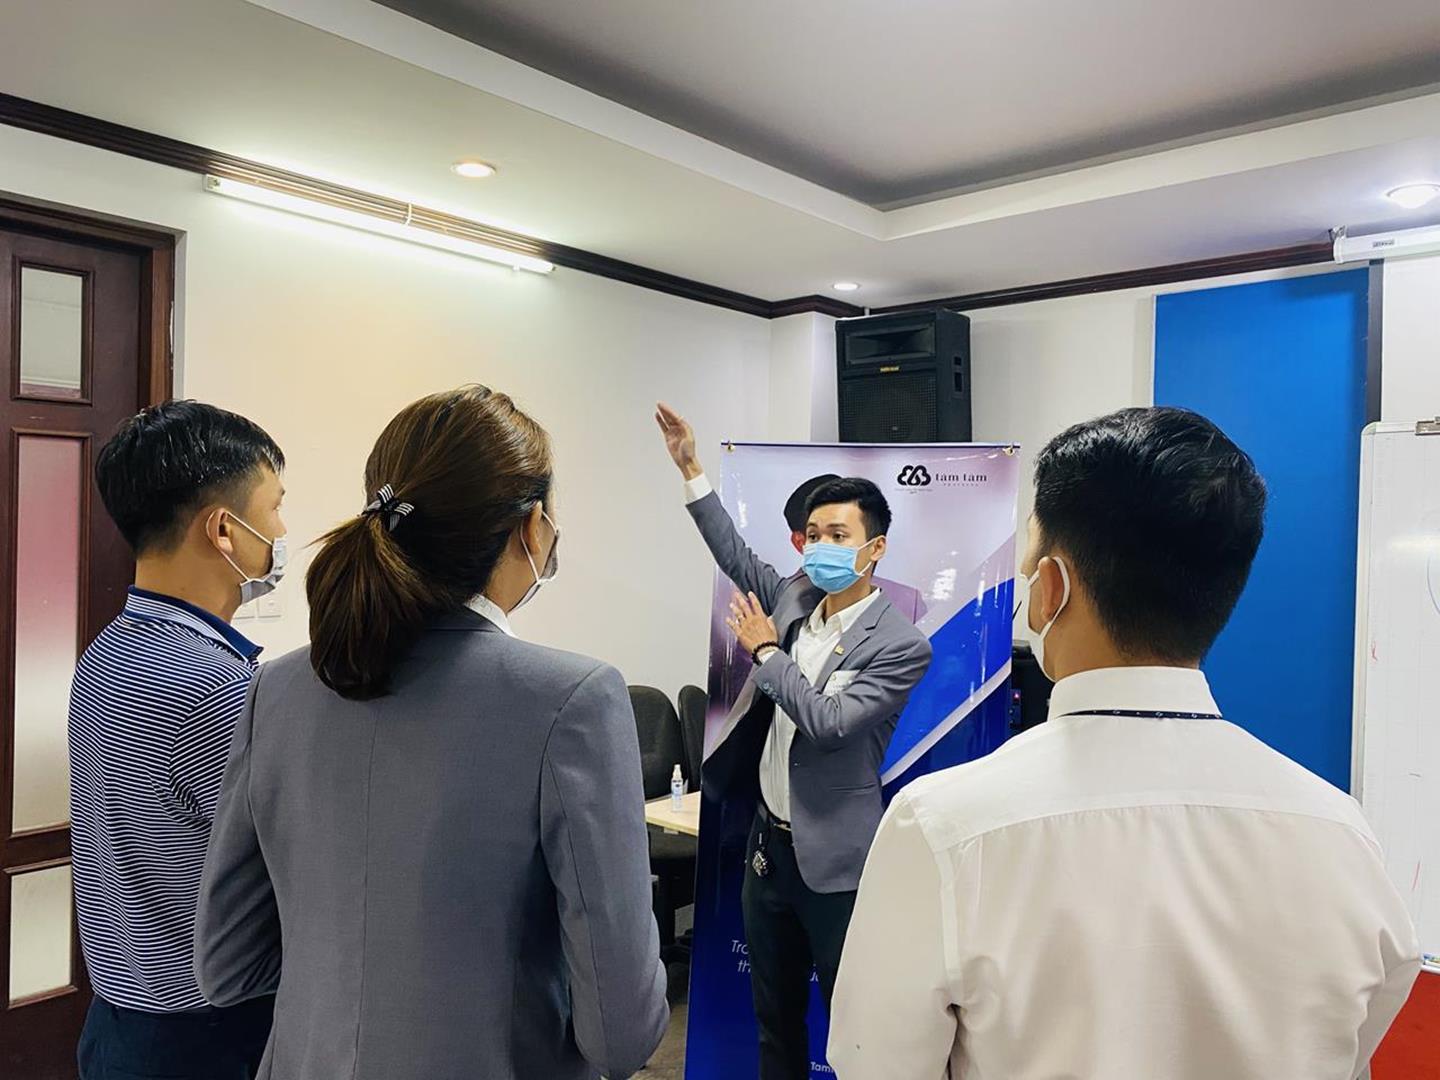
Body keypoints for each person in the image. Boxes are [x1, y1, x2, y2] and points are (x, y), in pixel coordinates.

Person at [829, 407, 1421, 1080]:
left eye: (1029, 567)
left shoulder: (943, 827)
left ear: (1051, 589)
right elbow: (1353, 1051)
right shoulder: (1340, 830)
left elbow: (876, 1064)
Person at [195, 386, 668, 1080]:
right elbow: (622, 1034)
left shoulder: (276, 690)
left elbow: (226, 966)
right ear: (532, 527)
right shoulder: (573, 701)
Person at [655, 402, 933, 1080]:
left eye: (838, 534)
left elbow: (829, 722)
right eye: (812, 535)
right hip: (768, 852)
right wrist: (691, 468)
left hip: (835, 862)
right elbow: (733, 552)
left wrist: (765, 654)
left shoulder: (901, 644)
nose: (820, 547)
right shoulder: (795, 597)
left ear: (876, 548)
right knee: (773, 1020)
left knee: (853, 1027)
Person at [70, 401, 286, 1079]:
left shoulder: (107, 652)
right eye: (276, 507)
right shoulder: (217, 689)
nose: (282, 531)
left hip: (118, 1015)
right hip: (207, 1035)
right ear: (223, 529)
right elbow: (291, 871)